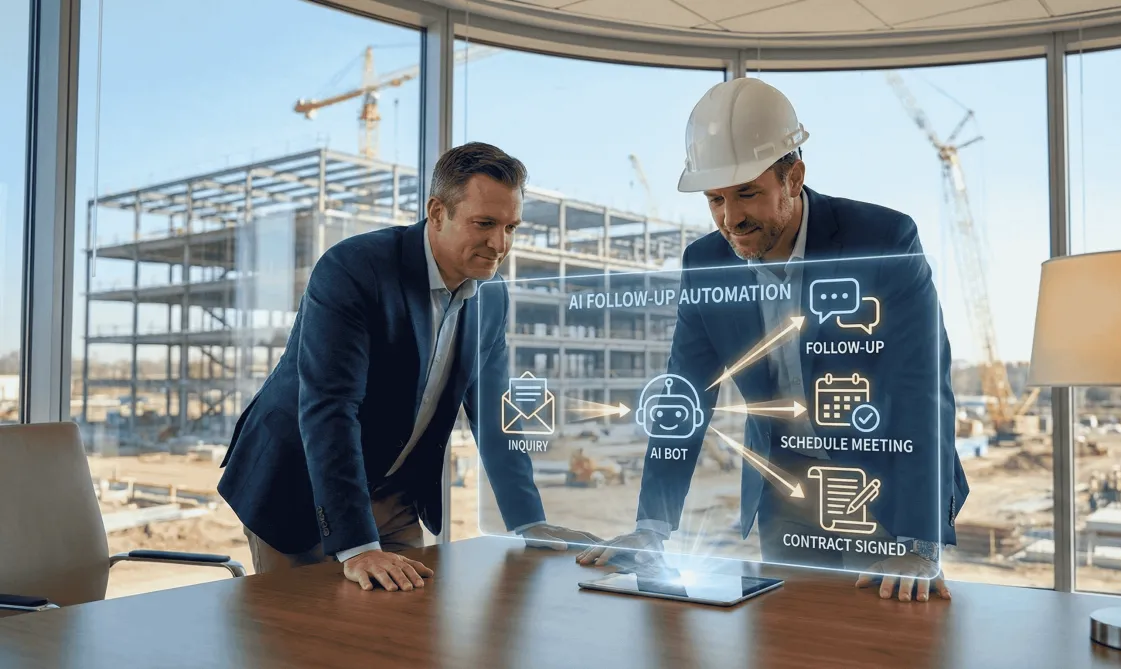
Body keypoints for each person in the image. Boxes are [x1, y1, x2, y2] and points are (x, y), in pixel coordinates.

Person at [577, 78, 970, 604]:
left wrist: (919, 541)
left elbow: (921, 390)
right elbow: (686, 393)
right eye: (715, 199)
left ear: (794, 177)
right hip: (787, 491)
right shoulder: (706, 262)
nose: (730, 219)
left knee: (886, 632)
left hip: (885, 486)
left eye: (747, 193)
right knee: (788, 631)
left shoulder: (883, 240)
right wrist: (652, 526)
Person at [218, 142, 597, 591]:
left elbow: (495, 414)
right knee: (303, 628)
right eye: (485, 224)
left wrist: (528, 522)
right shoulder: (354, 268)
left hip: (393, 496)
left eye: (511, 227)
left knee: (407, 623)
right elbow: (329, 407)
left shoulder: (492, 296)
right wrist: (358, 546)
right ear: (437, 213)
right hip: (298, 487)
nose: (500, 244)